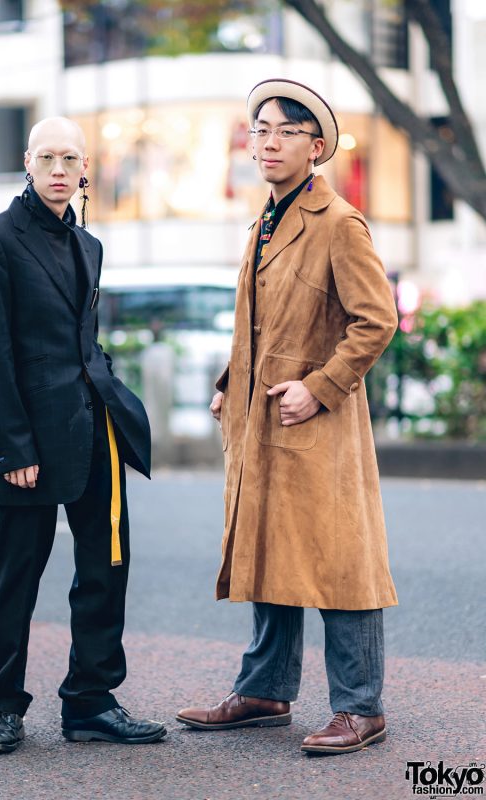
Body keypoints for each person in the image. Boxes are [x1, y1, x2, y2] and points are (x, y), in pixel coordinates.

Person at [176, 79, 398, 755]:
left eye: (285, 131)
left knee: (339, 560)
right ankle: (266, 690)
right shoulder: (265, 220)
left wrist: (322, 386)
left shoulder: (339, 224)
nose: (268, 141)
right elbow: (261, 322)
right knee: (271, 550)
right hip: (263, 421)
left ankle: (362, 708)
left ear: (318, 147)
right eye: (260, 129)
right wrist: (227, 381)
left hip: (316, 424)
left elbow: (377, 319)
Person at [0, 117, 166, 754]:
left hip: (93, 426)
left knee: (105, 566)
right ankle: (2, 709)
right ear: (28, 161)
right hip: (27, 440)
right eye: (46, 156)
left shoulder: (89, 246)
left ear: (85, 169)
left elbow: (83, 342)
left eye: (69, 158)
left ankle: (90, 701)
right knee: (16, 574)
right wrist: (14, 445)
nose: (58, 168)